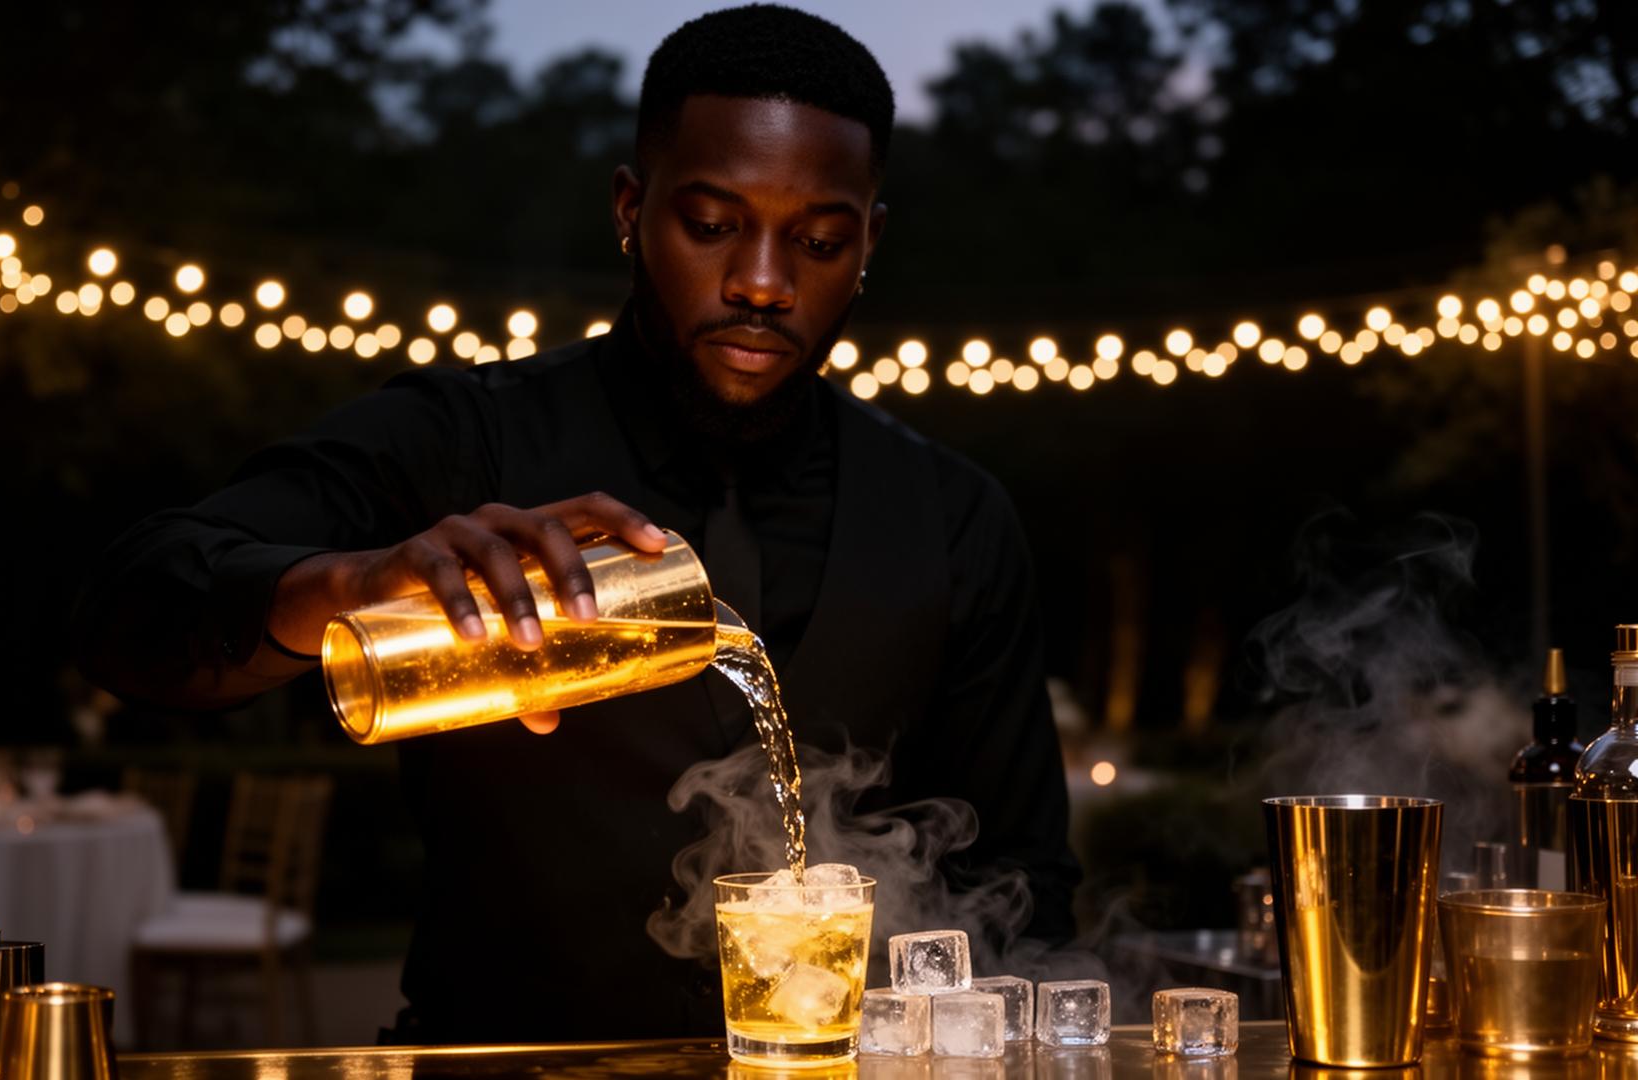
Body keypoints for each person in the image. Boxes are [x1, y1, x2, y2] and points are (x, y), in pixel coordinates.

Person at [75, 3, 1078, 1044]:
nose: (763, 283)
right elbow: (130, 608)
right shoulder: (463, 440)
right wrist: (345, 585)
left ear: (867, 243)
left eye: (818, 240)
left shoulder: (954, 514)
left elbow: (1024, 882)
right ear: (631, 209)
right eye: (713, 225)